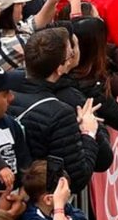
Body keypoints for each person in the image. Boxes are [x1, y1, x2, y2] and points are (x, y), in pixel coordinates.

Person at [8, 28, 102, 194]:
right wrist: (88, 133)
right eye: (70, 55)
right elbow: (77, 178)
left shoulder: (4, 87)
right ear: (60, 68)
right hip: (42, 200)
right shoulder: (60, 113)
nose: (73, 56)